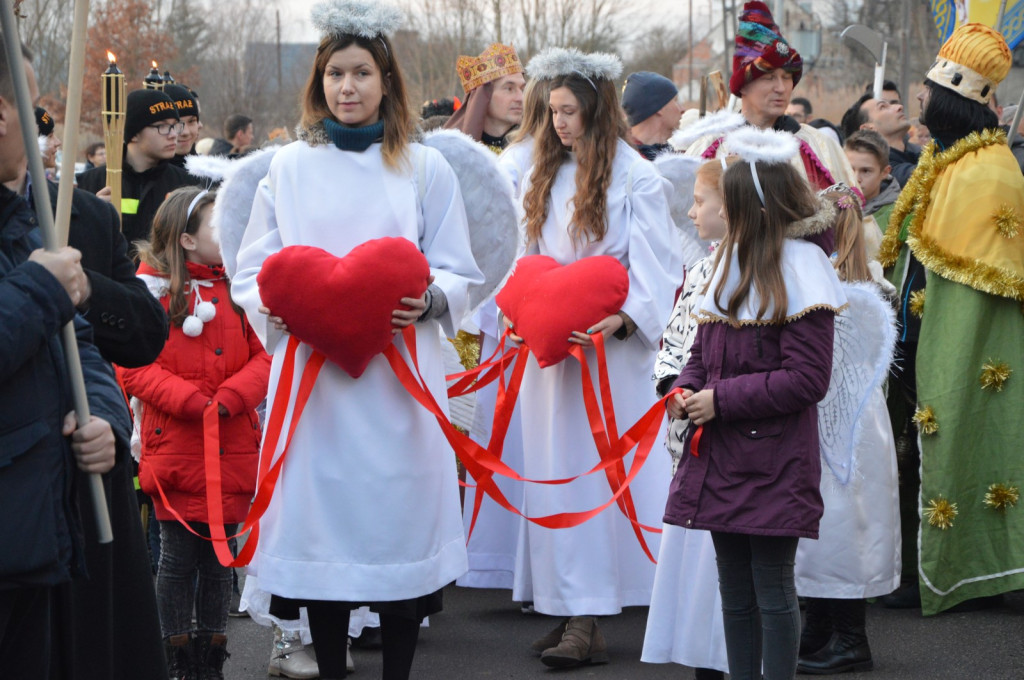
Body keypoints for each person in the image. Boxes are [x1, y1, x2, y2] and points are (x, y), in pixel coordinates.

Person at [230, 1, 483, 678]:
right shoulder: (287, 168)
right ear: (319, 83)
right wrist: (277, 308)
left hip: (398, 387)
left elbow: (460, 269)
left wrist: (429, 299)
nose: (348, 87)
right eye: (336, 73)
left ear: (386, 81)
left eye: (361, 73)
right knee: (325, 537)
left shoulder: (425, 168)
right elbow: (253, 268)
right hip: (317, 390)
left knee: (396, 530)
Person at [508, 47, 677, 669]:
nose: (559, 124)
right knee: (554, 472)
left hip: (609, 360)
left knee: (596, 474)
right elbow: (522, 255)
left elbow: (659, 266)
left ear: (599, 111)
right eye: (552, 111)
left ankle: (588, 613)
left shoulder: (639, 178)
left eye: (571, 111)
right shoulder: (541, 176)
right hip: (551, 359)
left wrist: (624, 317)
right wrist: (524, 309)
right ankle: (564, 602)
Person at [663, 125, 845, 680]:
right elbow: (703, 348)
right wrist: (685, 389)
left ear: (755, 211)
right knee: (733, 590)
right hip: (721, 457)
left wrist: (721, 400)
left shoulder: (802, 271)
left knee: (771, 591)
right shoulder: (728, 263)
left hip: (774, 462)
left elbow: (807, 378)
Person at [878, 23, 1024, 615]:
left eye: (927, 98)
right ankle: (917, 569)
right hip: (916, 334)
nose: (918, 104)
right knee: (910, 456)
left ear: (951, 103)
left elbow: (975, 281)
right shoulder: (943, 159)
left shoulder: (990, 170)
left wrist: (944, 351)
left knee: (957, 445)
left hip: (962, 346)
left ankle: (968, 571)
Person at [0, 35, 120, 676]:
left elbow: (79, 347)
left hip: (34, 532)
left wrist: (104, 417)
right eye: (32, 102)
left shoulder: (25, 221)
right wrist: (41, 287)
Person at [121, 187, 270, 679]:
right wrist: (189, 401)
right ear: (186, 239)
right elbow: (133, 364)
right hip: (177, 448)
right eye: (217, 226)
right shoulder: (151, 296)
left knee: (218, 562)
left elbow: (266, 356)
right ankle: (176, 656)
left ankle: (211, 659)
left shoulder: (239, 292)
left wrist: (232, 396)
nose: (231, 235)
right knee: (178, 558)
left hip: (231, 444)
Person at [794, 184, 901, 675]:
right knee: (832, 525)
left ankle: (850, 638)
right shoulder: (871, 284)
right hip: (854, 420)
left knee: (840, 525)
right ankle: (818, 627)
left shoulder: (839, 294)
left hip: (841, 419)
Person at [643, 156, 733, 680]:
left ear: (734, 205)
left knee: (722, 569)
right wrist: (672, 385)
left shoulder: (766, 270)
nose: (692, 213)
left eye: (701, 202)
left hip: (732, 439)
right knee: (693, 559)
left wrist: (718, 396)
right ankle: (702, 655)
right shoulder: (700, 268)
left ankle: (730, 657)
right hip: (692, 438)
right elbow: (677, 339)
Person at [678, 1, 857, 200]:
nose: (781, 88)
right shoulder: (708, 149)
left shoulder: (820, 148)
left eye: (787, 77)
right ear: (743, 86)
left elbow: (850, 221)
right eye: (769, 78)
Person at [77, 89, 202, 257]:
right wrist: (92, 215)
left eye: (174, 126)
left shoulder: (186, 184)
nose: (174, 135)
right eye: (163, 126)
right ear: (134, 134)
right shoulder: (90, 183)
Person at [444, 43, 525, 152]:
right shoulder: (451, 149)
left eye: (522, 89)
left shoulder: (535, 147)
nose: (521, 98)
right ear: (482, 97)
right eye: (509, 89)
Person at [840, 93, 919, 187]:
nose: (899, 107)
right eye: (883, 107)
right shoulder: (884, 176)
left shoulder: (915, 154)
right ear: (868, 129)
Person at [845, 129, 899, 234]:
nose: (856, 178)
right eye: (850, 169)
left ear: (884, 172)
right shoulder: (830, 209)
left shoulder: (897, 215)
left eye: (865, 171)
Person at [622, 71, 683, 159]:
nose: (682, 109)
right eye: (675, 101)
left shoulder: (668, 154)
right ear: (660, 107)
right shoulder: (628, 162)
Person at [164, 83, 203, 167]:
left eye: (191, 121)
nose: (185, 132)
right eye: (176, 124)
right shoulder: (145, 176)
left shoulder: (209, 172)